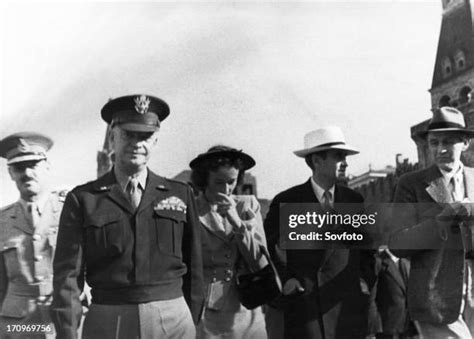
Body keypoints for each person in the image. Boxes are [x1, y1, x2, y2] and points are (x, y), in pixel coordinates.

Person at [51, 94, 204, 339]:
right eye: (128, 134)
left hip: (173, 320)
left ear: (155, 140)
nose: (137, 143)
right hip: (109, 320)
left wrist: (190, 318)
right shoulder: (83, 199)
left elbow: (195, 267)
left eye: (145, 136)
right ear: (112, 137)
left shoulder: (181, 193)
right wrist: (67, 332)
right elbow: (67, 277)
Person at [264, 126, 376, 339]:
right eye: (338, 156)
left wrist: (363, 282)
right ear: (317, 161)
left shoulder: (354, 200)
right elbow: (268, 248)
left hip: (345, 308)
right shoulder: (286, 201)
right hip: (305, 309)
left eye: (345, 156)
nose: (345, 162)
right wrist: (286, 280)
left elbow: (367, 250)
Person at [389, 106, 474, 338]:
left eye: (449, 142)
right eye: (434, 143)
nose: (440, 149)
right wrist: (444, 219)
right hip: (437, 301)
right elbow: (397, 242)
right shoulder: (412, 184)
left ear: (465, 142)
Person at [189, 145, 268, 339]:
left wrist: (238, 223)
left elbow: (260, 262)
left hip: (246, 307)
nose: (226, 189)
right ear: (204, 180)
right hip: (205, 312)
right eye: (218, 182)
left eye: (231, 182)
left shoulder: (247, 205)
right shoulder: (190, 209)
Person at [0, 132, 64, 338]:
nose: (26, 173)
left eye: (33, 164)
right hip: (19, 326)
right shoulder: (1, 221)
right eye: (19, 168)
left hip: (67, 317)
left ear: (47, 166)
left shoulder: (72, 211)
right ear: (10, 173)